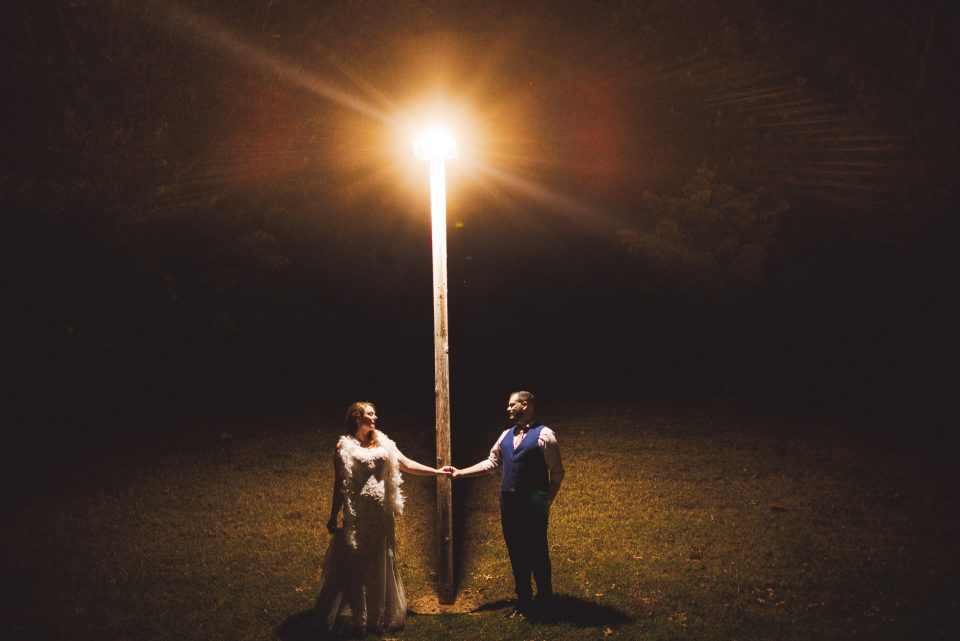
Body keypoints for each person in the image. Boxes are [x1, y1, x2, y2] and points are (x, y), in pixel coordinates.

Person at [313, 401, 452, 635]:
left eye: (375, 413)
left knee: (380, 561)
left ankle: (379, 613)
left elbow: (406, 464)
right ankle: (358, 616)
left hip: (380, 515)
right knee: (356, 563)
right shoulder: (343, 448)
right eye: (370, 414)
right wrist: (332, 514)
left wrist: (436, 472)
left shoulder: (384, 442)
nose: (375, 417)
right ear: (358, 418)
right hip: (357, 514)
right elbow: (340, 485)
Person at [452, 391, 564, 620]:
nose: (508, 409)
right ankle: (523, 601)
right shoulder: (505, 435)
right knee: (516, 551)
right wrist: (461, 472)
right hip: (509, 502)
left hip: (533, 502)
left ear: (526, 405)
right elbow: (493, 461)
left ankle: (545, 599)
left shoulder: (544, 435)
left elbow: (557, 472)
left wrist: (547, 499)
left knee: (537, 551)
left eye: (512, 405)